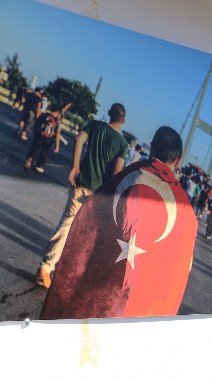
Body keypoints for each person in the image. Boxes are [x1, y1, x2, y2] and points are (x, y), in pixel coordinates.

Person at [40, 126, 198, 319]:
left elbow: (90, 226)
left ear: (152, 148)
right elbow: (181, 267)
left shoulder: (128, 178)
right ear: (178, 160)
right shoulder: (186, 211)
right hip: (142, 309)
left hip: (102, 298)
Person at [36, 102, 128, 288]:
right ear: (123, 120)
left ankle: (46, 267)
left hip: (81, 184)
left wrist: (75, 166)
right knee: (88, 234)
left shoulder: (95, 125)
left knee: (66, 224)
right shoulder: (122, 144)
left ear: (109, 114)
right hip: (99, 195)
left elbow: (78, 139)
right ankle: (70, 272)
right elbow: (117, 172)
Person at [24, 101, 71, 174]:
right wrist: (57, 146)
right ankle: (39, 165)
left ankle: (30, 159)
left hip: (39, 135)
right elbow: (57, 133)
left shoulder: (44, 115)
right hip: (49, 139)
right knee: (45, 152)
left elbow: (36, 123)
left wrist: (36, 131)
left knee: (34, 148)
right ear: (58, 112)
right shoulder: (57, 122)